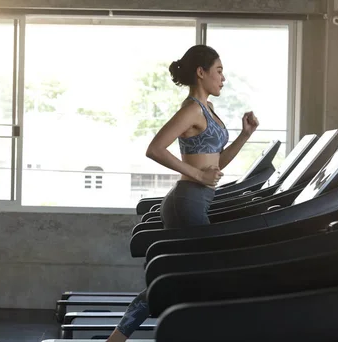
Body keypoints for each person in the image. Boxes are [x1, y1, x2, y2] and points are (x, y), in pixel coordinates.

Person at [105, 44, 259, 342]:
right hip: (186, 201)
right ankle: (121, 338)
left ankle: (118, 338)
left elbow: (217, 162)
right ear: (201, 73)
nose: (223, 78)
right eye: (218, 71)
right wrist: (199, 174)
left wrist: (244, 135)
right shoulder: (191, 109)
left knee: (182, 275)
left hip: (195, 199)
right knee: (194, 274)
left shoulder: (208, 109)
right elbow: (155, 149)